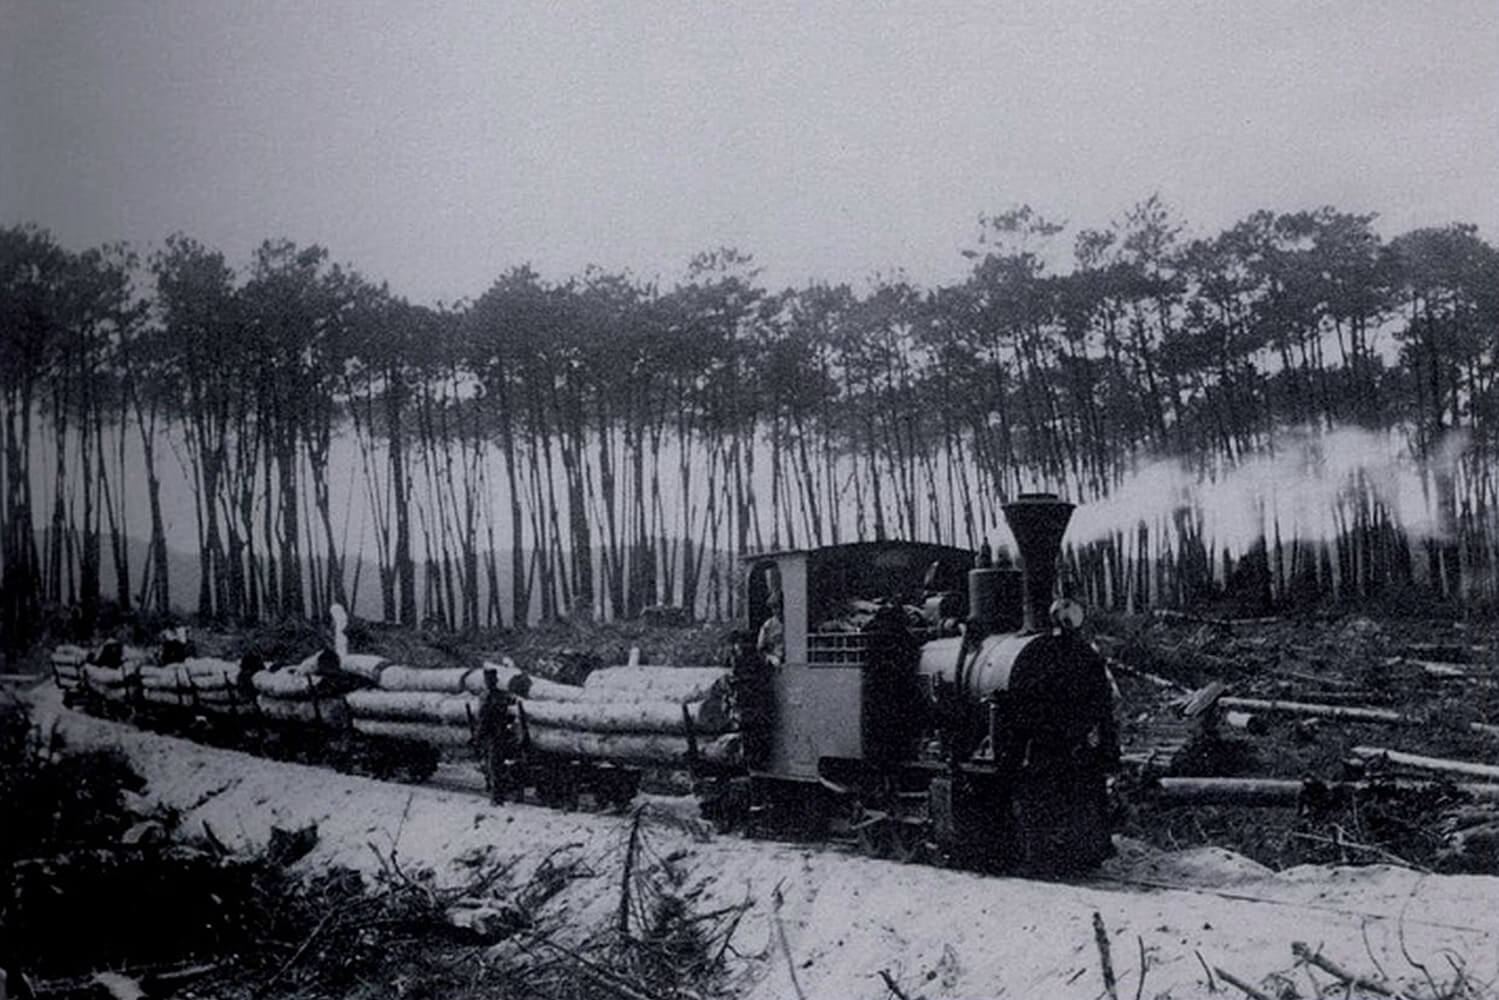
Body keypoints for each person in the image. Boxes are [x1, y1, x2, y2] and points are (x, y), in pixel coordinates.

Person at [475, 667, 515, 804]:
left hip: (493, 735)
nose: (488, 682)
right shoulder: (504, 695)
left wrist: (478, 735)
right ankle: (498, 793)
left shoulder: (486, 697)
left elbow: (483, 718)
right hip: (504, 733)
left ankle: (496, 797)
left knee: (493, 765)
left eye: (488, 680)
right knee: (496, 765)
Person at [756, 588, 785, 666]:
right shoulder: (768, 626)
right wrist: (771, 657)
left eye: (778, 607)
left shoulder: (791, 623)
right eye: (773, 608)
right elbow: (760, 649)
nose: (775, 611)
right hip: (775, 663)